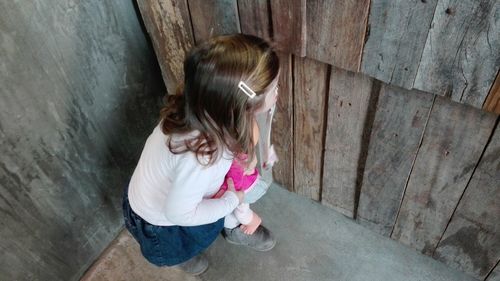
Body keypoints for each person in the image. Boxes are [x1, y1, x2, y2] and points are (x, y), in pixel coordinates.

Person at [121, 33, 280, 275]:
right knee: (184, 241)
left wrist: (251, 157)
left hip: (176, 194)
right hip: (161, 224)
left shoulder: (204, 107)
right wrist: (232, 200)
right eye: (273, 90)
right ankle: (180, 255)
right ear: (240, 106)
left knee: (228, 188)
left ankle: (233, 223)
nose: (277, 93)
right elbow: (179, 212)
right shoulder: (201, 157)